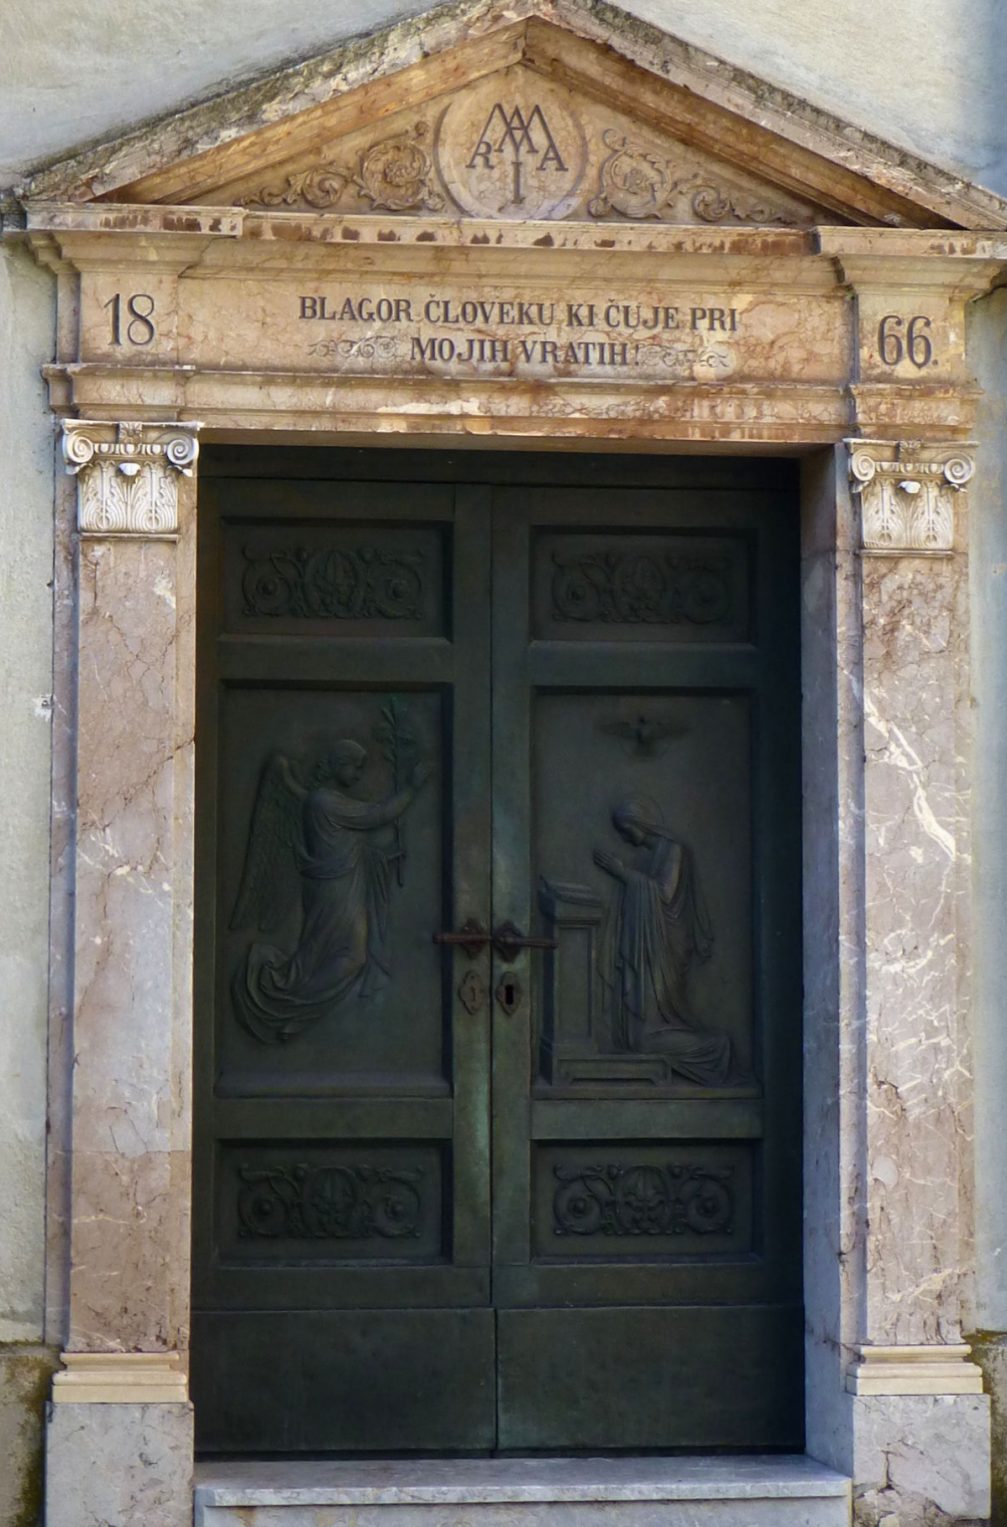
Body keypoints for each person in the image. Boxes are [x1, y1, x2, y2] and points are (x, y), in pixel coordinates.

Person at [233, 740, 430, 1043]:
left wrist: (383, 858)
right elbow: (379, 815)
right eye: (356, 767)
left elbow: (347, 847)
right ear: (338, 765)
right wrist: (412, 787)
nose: (360, 775)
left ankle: (294, 1015)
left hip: (336, 888)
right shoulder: (325, 802)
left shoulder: (320, 800)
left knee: (319, 957)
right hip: (335, 892)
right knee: (350, 957)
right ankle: (290, 1007)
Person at [594, 794, 745, 1085]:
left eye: (627, 831)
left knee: (643, 1041)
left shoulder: (673, 850)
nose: (626, 839)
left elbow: (664, 893)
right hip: (648, 947)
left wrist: (622, 873)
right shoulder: (646, 855)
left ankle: (716, 1048)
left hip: (664, 948)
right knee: (636, 1038)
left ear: (642, 824)